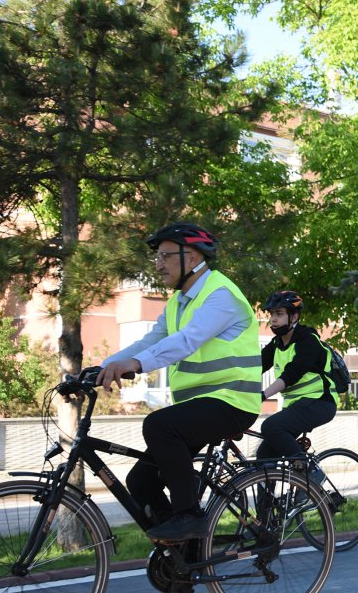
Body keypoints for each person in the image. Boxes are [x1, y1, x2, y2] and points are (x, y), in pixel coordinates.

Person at [98, 223, 262, 553]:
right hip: (201, 406)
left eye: (164, 256)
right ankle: (182, 557)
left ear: (193, 256)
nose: (158, 264)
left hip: (232, 400)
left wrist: (136, 365)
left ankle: (189, 516)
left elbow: (187, 341)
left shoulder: (220, 294)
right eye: (156, 258)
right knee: (140, 482)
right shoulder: (177, 304)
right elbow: (151, 340)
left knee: (158, 425)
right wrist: (102, 368)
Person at [256, 290, 338, 460]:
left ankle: (308, 472)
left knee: (271, 427)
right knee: (264, 456)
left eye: (279, 314)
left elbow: (292, 374)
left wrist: (263, 395)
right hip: (297, 406)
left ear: (294, 317)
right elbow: (254, 368)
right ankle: (271, 482)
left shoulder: (308, 340)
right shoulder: (276, 344)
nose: (273, 319)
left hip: (320, 402)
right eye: (271, 314)